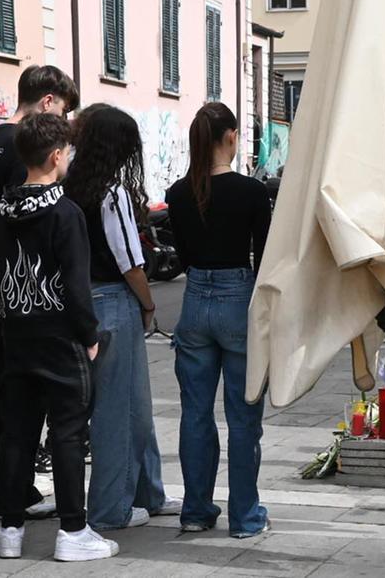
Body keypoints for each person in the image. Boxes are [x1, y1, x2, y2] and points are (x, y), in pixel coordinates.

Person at [0, 113, 117, 561]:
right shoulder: (65, 213)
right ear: (57, 155)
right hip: (61, 338)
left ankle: (10, 530)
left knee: (17, 435)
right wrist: (91, 335)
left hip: (16, 335)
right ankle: (72, 531)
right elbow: (76, 285)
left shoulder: (3, 212)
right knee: (67, 434)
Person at [0, 64, 79, 520]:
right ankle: (3, 491)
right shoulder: (22, 150)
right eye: (64, 111)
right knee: (10, 396)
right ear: (48, 100)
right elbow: (23, 218)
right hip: (14, 288)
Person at [63, 105, 179, 530]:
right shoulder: (112, 194)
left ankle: (150, 491)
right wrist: (149, 304)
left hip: (79, 302)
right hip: (114, 301)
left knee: (133, 404)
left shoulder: (69, 187)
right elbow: (130, 261)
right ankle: (111, 508)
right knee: (119, 409)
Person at [165, 103, 271, 538]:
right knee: (244, 417)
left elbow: (184, 257)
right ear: (230, 136)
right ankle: (244, 517)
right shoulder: (252, 192)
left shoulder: (177, 192)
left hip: (194, 302)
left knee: (195, 413)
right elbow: (265, 259)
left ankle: (195, 510)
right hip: (238, 299)